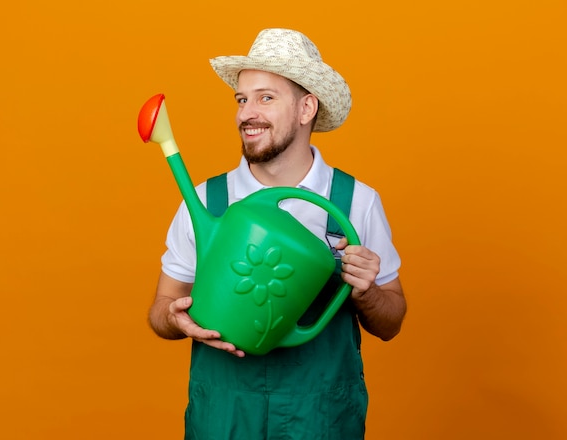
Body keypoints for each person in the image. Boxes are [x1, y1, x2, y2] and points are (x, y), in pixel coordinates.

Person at [148, 28, 407, 439]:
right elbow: (160, 309)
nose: (246, 113)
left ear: (306, 108)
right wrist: (176, 319)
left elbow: (391, 321)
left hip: (321, 417)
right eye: (241, 99)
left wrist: (367, 291)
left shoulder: (356, 201)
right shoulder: (206, 200)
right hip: (223, 416)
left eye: (265, 98)